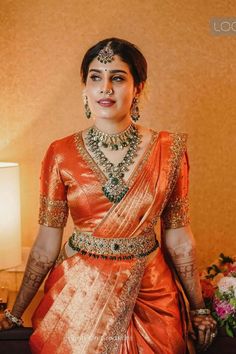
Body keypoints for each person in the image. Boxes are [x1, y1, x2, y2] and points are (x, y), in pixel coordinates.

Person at [0, 38, 217, 354]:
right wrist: (14, 312)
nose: (105, 88)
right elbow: (46, 243)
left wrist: (198, 308)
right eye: (95, 77)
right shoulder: (60, 153)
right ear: (85, 87)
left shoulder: (168, 152)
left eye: (117, 77)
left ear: (138, 87)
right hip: (79, 293)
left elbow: (179, 238)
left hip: (151, 291)